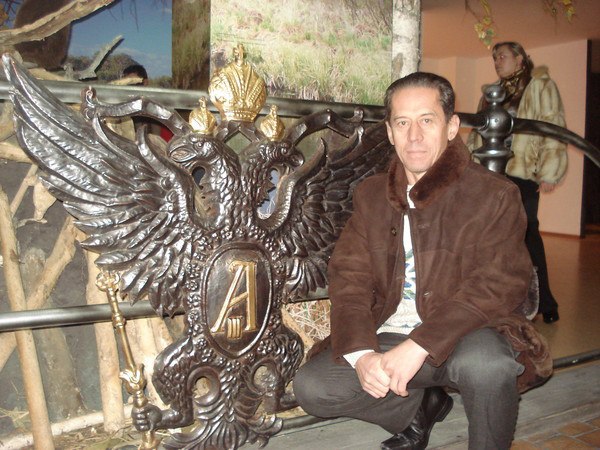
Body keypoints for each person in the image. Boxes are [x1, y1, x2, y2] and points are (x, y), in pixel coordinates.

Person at [293, 72, 552, 450]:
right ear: (390, 132)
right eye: (402, 123)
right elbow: (350, 277)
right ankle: (419, 409)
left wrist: (419, 345)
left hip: (467, 333)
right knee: (313, 387)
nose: (414, 135)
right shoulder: (372, 195)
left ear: (452, 127)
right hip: (390, 331)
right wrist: (362, 355)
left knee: (489, 366)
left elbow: (499, 282)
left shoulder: (493, 194)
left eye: (427, 120)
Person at [467, 41, 567, 324]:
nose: (497, 61)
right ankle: (500, 298)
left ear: (520, 59)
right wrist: (467, 166)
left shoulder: (540, 86)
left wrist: (549, 171)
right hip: (491, 173)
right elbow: (477, 133)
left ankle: (544, 301)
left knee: (527, 233)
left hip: (522, 171)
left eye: (502, 56)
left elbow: (553, 127)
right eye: (494, 57)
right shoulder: (492, 93)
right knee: (491, 236)